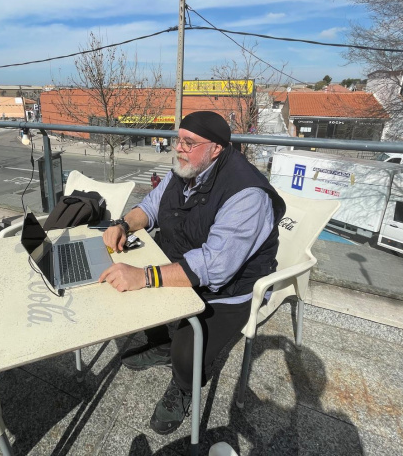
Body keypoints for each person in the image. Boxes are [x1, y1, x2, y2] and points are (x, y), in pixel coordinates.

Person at [100, 111, 285, 435]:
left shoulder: (246, 194)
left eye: (189, 142)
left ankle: (184, 385)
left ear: (216, 148)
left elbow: (214, 267)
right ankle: (163, 347)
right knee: (141, 306)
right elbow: (152, 206)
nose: (179, 148)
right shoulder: (187, 168)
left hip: (229, 289)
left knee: (189, 351)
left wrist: (142, 276)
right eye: (178, 140)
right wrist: (123, 224)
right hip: (186, 262)